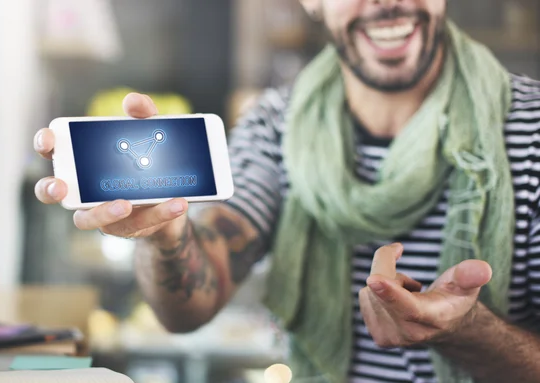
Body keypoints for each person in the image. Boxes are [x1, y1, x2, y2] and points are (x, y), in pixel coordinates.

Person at [34, 0, 540, 382]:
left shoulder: (532, 126)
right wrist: (166, 237)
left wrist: (471, 331)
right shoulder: (275, 124)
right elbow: (188, 307)